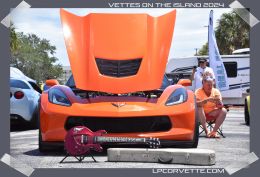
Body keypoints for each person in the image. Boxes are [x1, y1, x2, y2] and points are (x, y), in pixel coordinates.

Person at [195, 72, 227, 138]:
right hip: (201, 114)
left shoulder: (216, 91)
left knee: (224, 110)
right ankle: (207, 131)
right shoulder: (198, 91)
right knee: (199, 107)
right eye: (208, 85)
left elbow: (220, 106)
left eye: (211, 85)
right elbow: (196, 103)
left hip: (212, 113)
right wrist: (206, 100)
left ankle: (214, 132)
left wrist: (218, 102)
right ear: (203, 84)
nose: (210, 87)